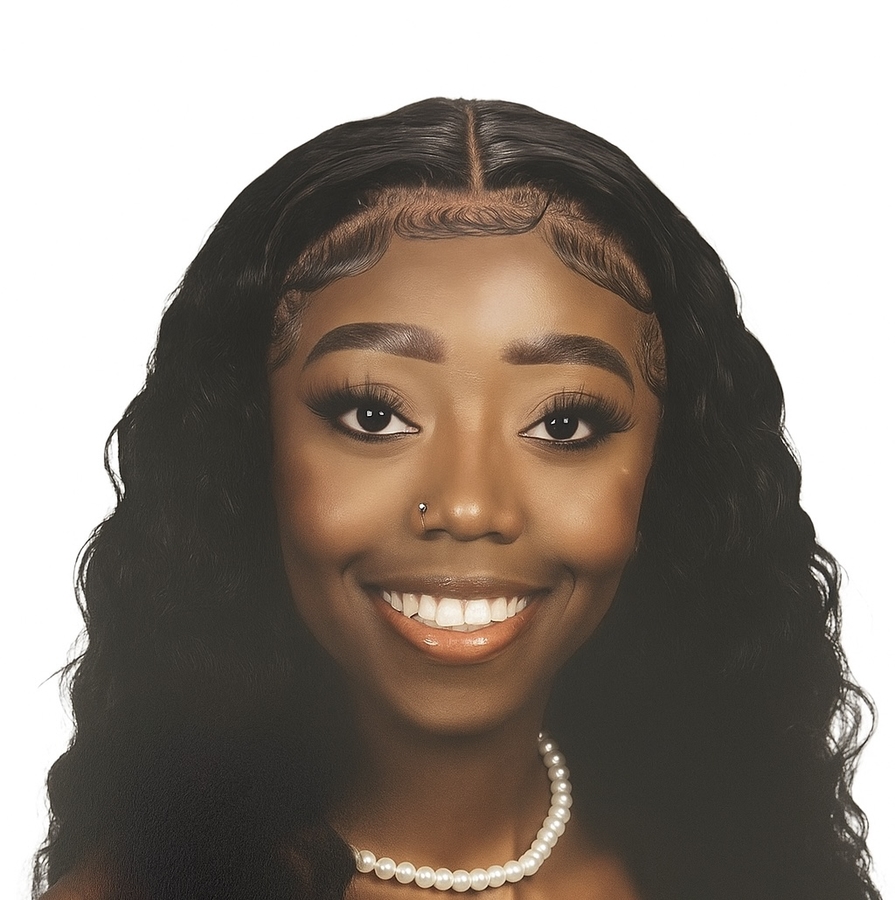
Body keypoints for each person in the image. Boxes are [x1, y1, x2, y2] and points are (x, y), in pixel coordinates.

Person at [34, 98, 880, 900]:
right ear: (251, 451)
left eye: (562, 423)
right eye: (373, 414)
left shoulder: (752, 869)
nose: (469, 507)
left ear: (667, 470)